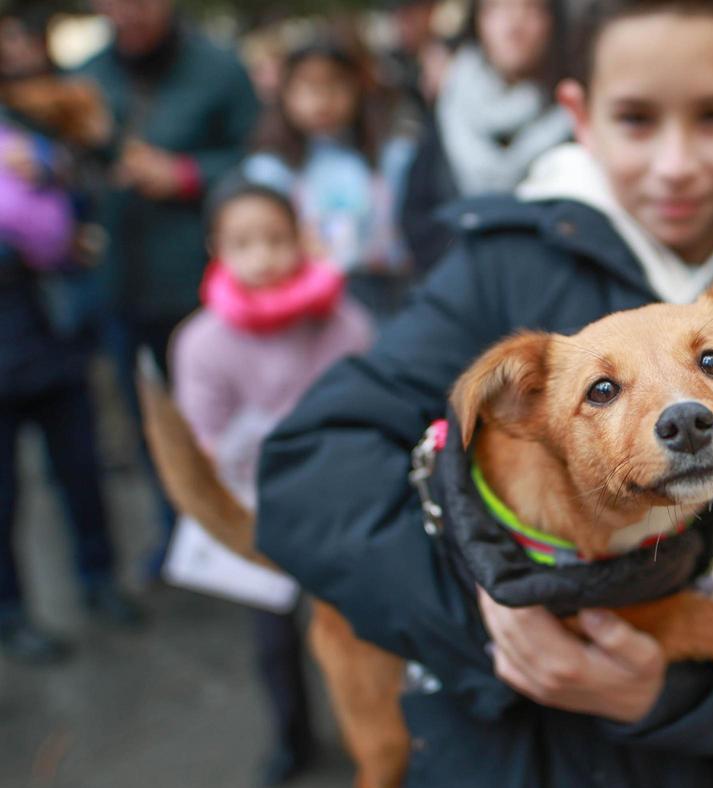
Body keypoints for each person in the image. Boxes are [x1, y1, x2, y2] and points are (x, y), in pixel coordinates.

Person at [256, 1, 713, 788]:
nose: (675, 163)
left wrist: (677, 689)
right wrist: (492, 623)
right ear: (579, 114)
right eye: (637, 119)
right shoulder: (493, 270)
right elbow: (306, 471)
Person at [170, 180, 372, 788]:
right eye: (243, 243)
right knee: (274, 640)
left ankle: (370, 730)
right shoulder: (201, 342)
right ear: (216, 248)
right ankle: (293, 738)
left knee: (357, 625)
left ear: (300, 238)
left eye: (276, 239)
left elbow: (369, 398)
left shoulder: (343, 319)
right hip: (255, 511)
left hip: (341, 497)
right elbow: (202, 436)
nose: (262, 255)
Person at [78, 0, 259, 576]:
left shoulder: (217, 67)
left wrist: (184, 175)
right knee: (147, 422)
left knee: (217, 419)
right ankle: (175, 530)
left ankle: (233, 531)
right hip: (120, 283)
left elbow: (257, 158)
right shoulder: (89, 75)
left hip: (200, 288)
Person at [0, 5, 142, 665]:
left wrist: (59, 190)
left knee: (79, 470)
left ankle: (100, 579)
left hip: (52, 333)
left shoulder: (45, 114)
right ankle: (12, 613)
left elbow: (87, 191)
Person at [244, 40, 417, 321]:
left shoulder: (392, 155)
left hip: (385, 293)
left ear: (357, 89)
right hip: (305, 302)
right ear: (284, 94)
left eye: (334, 85)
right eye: (307, 87)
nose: (321, 100)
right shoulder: (268, 170)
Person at [401, 0, 572, 271]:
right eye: (498, 8)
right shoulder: (450, 102)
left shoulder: (577, 118)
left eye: (531, 8)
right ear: (477, 21)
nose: (514, 25)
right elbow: (418, 217)